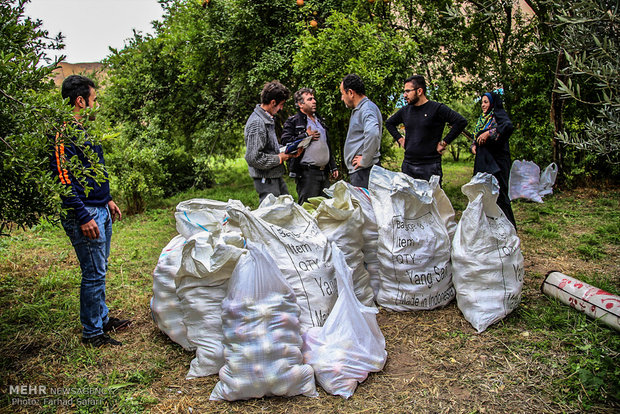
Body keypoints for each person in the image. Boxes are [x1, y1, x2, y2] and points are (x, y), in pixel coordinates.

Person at [50, 75, 131, 347]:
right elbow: (63, 178)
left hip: (99, 208)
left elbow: (94, 170)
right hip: (84, 213)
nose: (96, 104)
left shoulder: (84, 129)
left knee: (100, 269)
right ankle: (92, 333)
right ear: (81, 100)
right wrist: (82, 215)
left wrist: (107, 199)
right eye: (94, 99)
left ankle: (102, 318)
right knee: (93, 272)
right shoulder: (63, 133)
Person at [385, 75, 467, 182]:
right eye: (404, 92)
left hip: (430, 166)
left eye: (408, 91)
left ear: (419, 91)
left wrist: (444, 143)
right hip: (408, 165)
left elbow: (460, 122)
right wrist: (400, 140)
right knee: (408, 198)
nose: (405, 95)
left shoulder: (437, 108)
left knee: (431, 198)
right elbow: (389, 123)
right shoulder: (405, 111)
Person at [244, 80, 300, 204]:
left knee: (287, 208)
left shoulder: (267, 119)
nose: (281, 108)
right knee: (271, 216)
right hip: (265, 179)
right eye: (281, 104)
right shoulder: (257, 123)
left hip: (274, 175)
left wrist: (289, 150)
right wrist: (278, 159)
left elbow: (269, 147)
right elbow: (253, 157)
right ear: (273, 102)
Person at [281, 88, 339, 205]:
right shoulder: (294, 121)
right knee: (308, 207)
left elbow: (327, 145)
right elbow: (286, 142)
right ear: (300, 104)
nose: (314, 101)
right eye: (310, 99)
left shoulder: (320, 120)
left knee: (325, 208)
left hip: (324, 172)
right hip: (307, 173)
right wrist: (306, 135)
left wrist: (333, 166)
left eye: (314, 98)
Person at [471, 91, 517, 229]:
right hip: (484, 161)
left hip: (498, 162)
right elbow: (477, 137)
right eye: (482, 102)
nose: (483, 105)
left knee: (499, 193)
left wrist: (489, 133)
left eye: (486, 102)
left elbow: (508, 126)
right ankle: (487, 225)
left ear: (492, 103)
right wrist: (474, 145)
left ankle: (509, 226)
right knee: (482, 192)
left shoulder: (498, 114)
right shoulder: (483, 119)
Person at [340, 74, 383, 188]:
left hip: (365, 172)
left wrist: (364, 160)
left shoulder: (366, 109)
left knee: (365, 205)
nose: (342, 98)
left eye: (342, 94)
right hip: (362, 172)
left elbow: (373, 133)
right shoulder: (362, 108)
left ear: (350, 93)